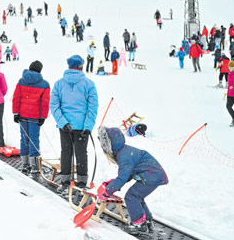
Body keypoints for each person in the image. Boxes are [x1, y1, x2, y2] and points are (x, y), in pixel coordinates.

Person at [97, 126, 168, 235]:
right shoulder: (124, 150)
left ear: (108, 146)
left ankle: (139, 225)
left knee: (131, 196)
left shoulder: (123, 156)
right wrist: (112, 184)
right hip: (153, 174)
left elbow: (123, 178)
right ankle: (147, 220)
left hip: (151, 175)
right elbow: (127, 175)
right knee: (137, 197)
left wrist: (107, 191)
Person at [50, 55, 98, 191]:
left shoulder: (59, 84)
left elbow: (54, 104)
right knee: (81, 153)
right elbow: (92, 107)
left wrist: (62, 122)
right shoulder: (89, 84)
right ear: (81, 67)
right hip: (82, 126)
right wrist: (88, 126)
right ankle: (82, 182)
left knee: (66, 152)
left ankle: (65, 181)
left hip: (65, 126)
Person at [13, 61, 50, 174]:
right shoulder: (44, 84)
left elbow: (16, 98)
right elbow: (45, 102)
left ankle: (25, 163)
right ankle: (34, 165)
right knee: (34, 139)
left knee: (24, 139)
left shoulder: (21, 81)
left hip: (23, 115)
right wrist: (43, 116)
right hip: (35, 116)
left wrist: (16, 113)